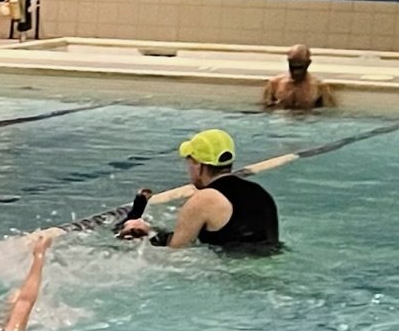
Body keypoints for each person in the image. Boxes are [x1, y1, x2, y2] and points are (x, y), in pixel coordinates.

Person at [118, 129, 282, 254]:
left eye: (189, 162)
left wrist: (146, 235)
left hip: (236, 278)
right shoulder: (259, 192)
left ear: (198, 164)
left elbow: (175, 252)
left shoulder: (203, 199)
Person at [263, 43, 333, 110]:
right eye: (293, 67)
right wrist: (276, 106)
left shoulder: (319, 87)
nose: (296, 72)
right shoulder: (274, 84)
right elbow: (265, 110)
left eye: (300, 67)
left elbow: (328, 112)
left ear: (308, 63)